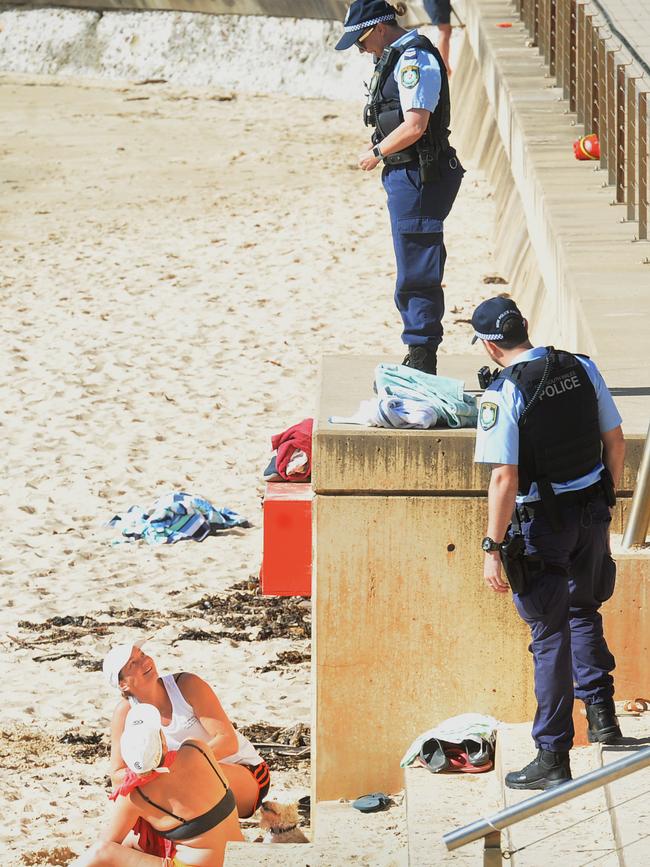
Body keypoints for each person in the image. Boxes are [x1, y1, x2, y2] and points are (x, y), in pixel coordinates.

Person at [472, 296, 625, 790]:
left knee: (549, 635)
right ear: (525, 328)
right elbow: (615, 441)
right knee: (584, 611)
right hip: (592, 511)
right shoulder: (581, 367)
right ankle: (603, 720)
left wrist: (492, 547)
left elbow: (504, 478)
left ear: (492, 346)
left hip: (544, 524)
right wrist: (607, 500)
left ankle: (553, 755)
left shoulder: (502, 392)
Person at [335, 0, 464, 376]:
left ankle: (423, 357)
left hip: (418, 177)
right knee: (416, 261)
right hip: (407, 176)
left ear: (378, 28)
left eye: (360, 41)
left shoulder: (413, 61)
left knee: (417, 268)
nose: (360, 49)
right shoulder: (395, 57)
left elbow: (416, 125)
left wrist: (376, 152)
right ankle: (419, 349)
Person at [104, 642, 270, 819]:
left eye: (142, 654)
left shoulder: (186, 685)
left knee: (190, 777)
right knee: (136, 794)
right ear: (123, 684)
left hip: (245, 772)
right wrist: (147, 773)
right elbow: (117, 776)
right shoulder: (125, 713)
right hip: (182, 783)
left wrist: (172, 766)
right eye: (132, 663)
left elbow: (228, 742)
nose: (145, 661)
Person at [70, 704, 244, 867]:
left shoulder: (136, 795)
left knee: (102, 851)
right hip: (238, 858)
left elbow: (106, 842)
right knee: (131, 842)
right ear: (163, 741)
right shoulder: (197, 749)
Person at [423, 0, 452, 74]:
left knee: (445, 31)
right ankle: (443, 66)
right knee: (444, 31)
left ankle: (443, 66)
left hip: (437, 3)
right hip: (436, 2)